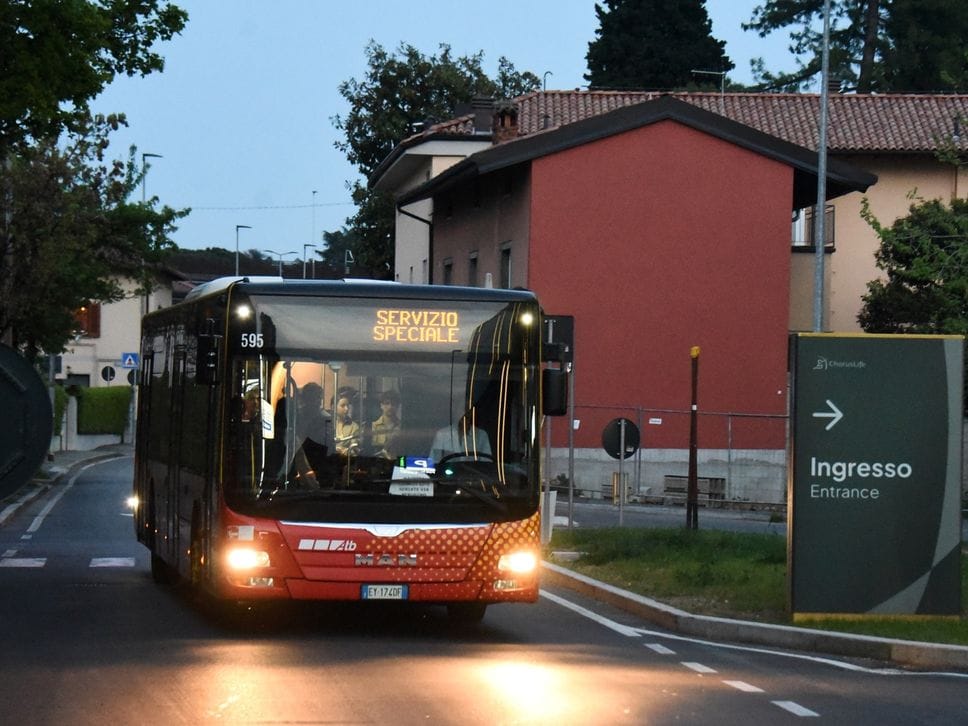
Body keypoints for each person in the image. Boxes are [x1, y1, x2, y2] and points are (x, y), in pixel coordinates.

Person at [369, 389, 400, 459]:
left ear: (398, 406)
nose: (390, 407)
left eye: (393, 404)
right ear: (381, 405)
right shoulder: (373, 427)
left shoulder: (402, 427)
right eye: (387, 403)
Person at [333, 387, 361, 455]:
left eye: (347, 406)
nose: (346, 409)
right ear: (334, 407)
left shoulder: (354, 427)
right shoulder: (328, 424)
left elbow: (355, 449)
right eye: (342, 406)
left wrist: (343, 451)